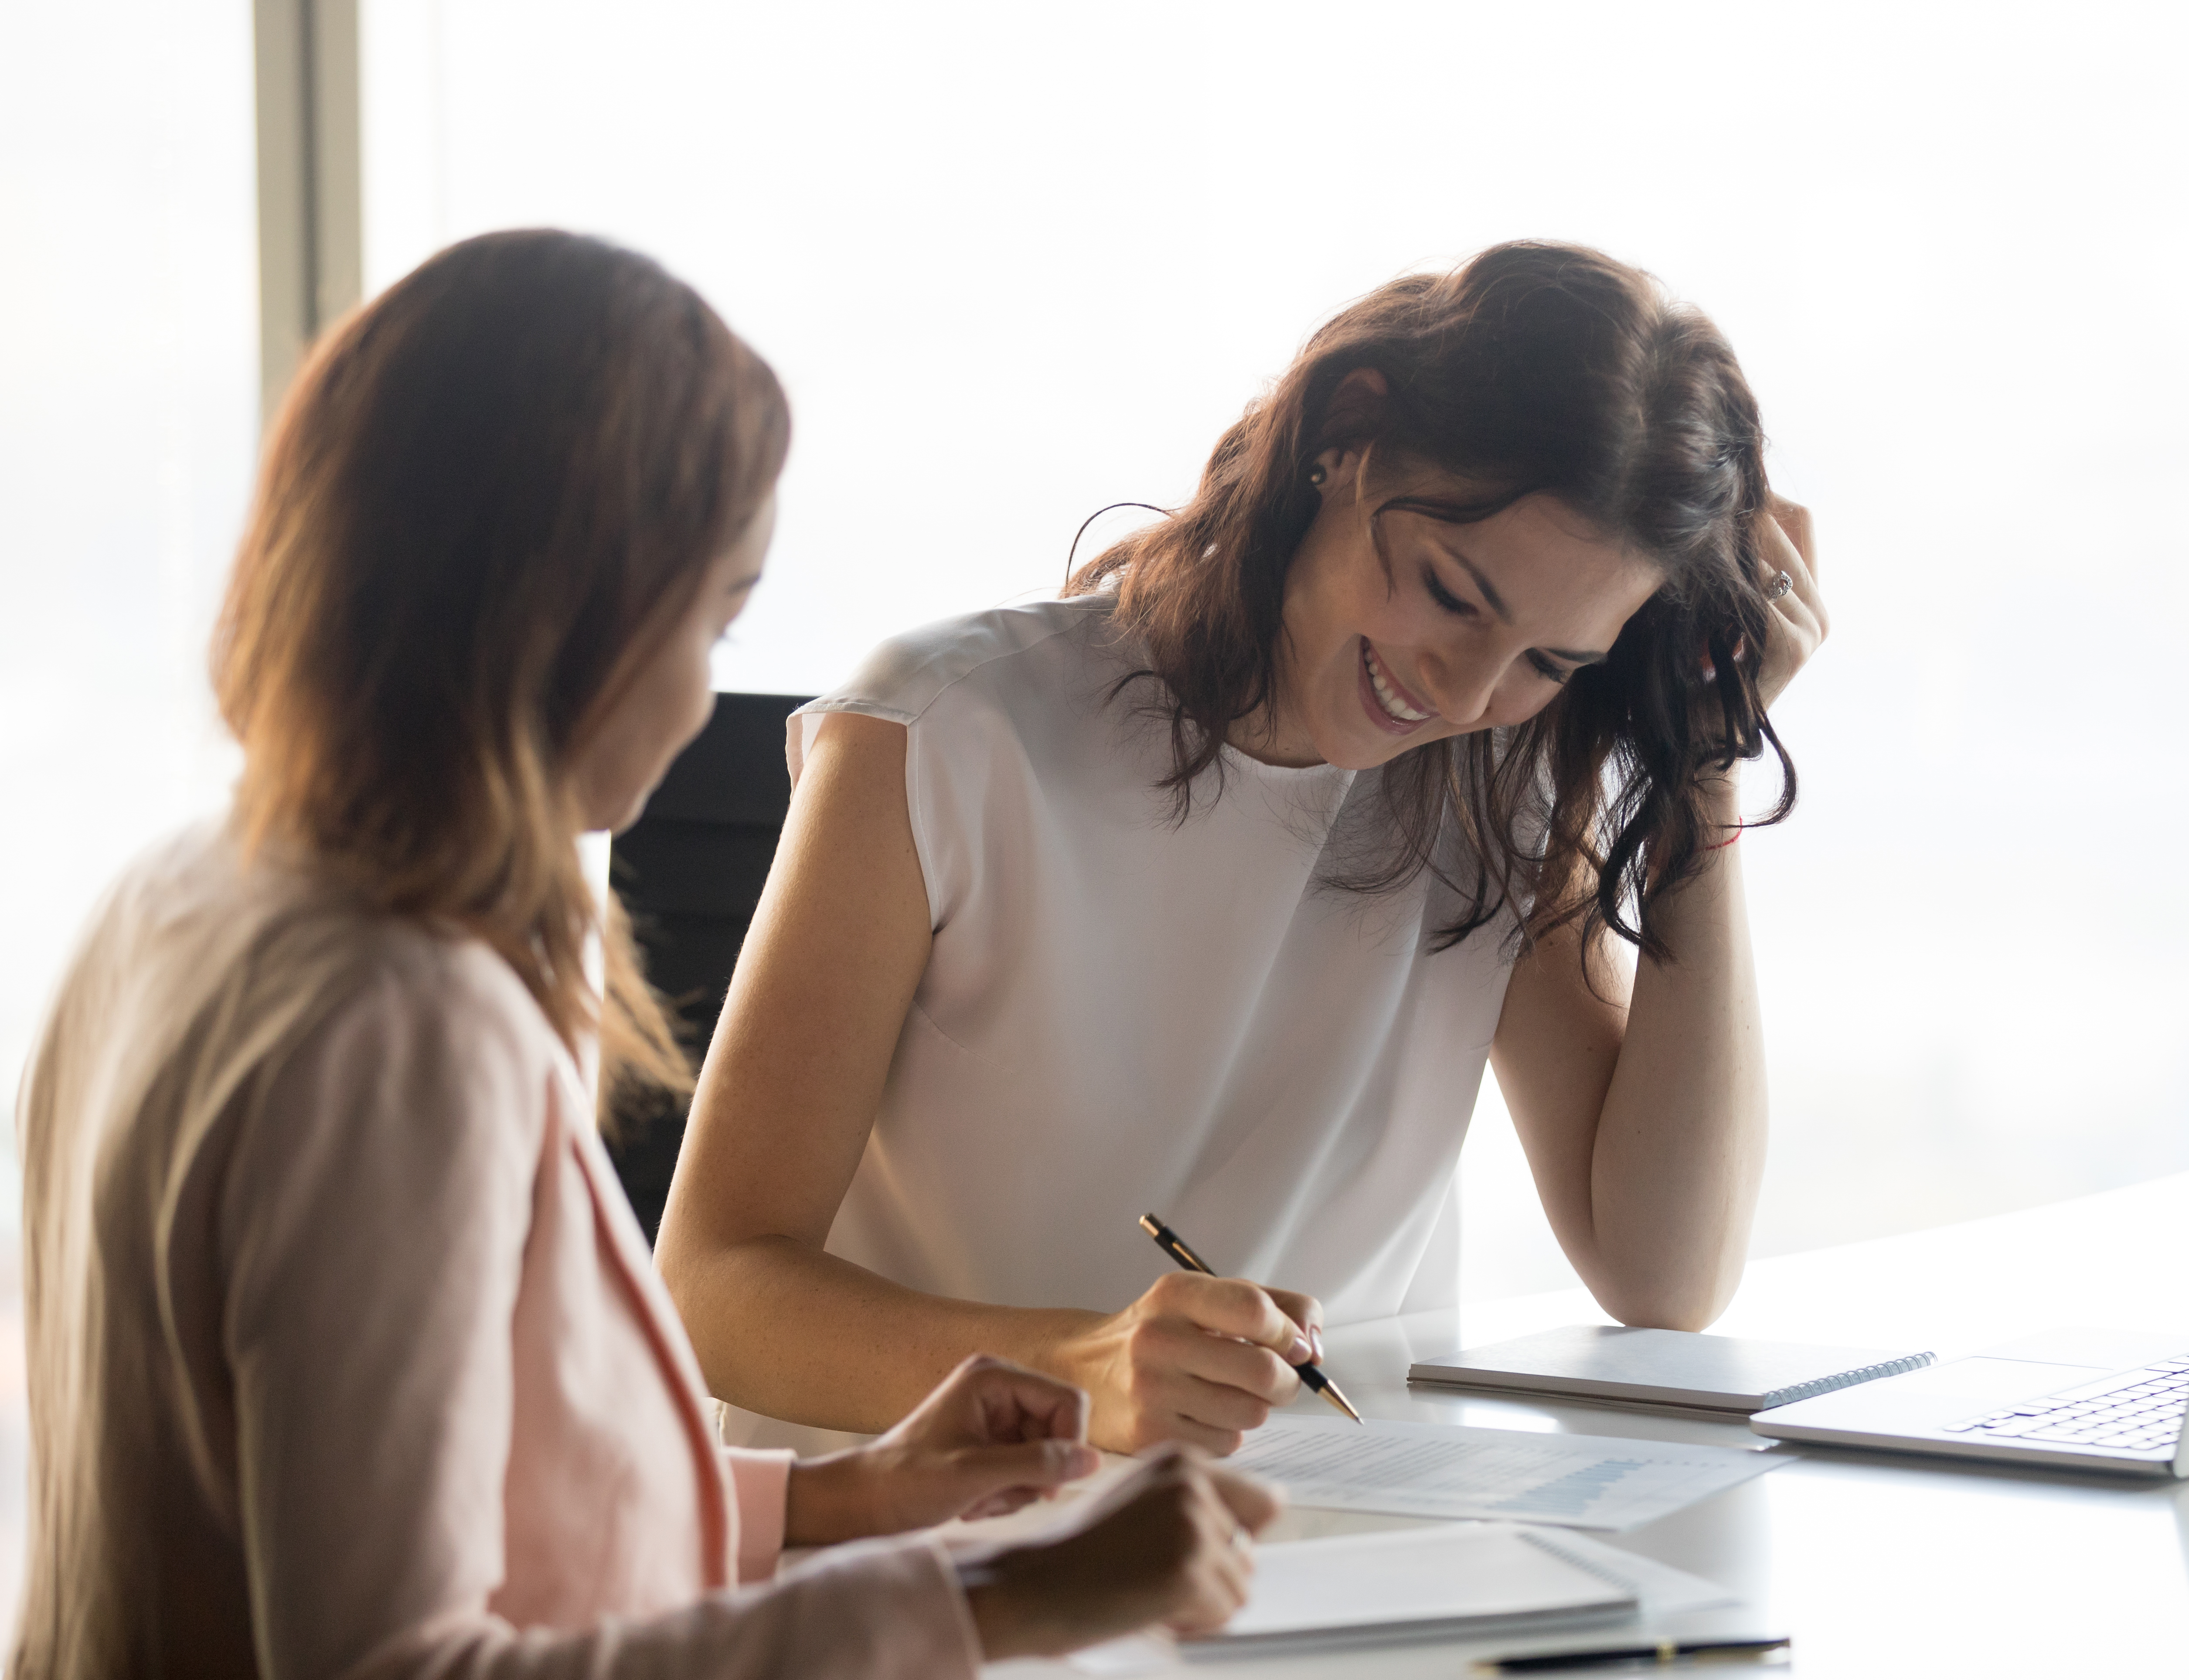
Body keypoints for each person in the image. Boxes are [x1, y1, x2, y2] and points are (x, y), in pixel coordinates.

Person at [11, 228, 1276, 1680]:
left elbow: (427, 1498)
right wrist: (999, 1609)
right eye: (716, 617)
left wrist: (837, 1501)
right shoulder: (401, 1025)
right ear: (571, 620)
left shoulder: (182, 896)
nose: (703, 697)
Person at [658, 240, 1829, 1456]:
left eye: (1551, 660)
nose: (1466, 687)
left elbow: (1664, 1275)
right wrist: (1080, 1373)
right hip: (940, 1551)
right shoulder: (944, 729)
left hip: (1320, 1547)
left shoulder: (1503, 784)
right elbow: (714, 1288)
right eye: (1451, 591)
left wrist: (1704, 769)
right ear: (1345, 432)